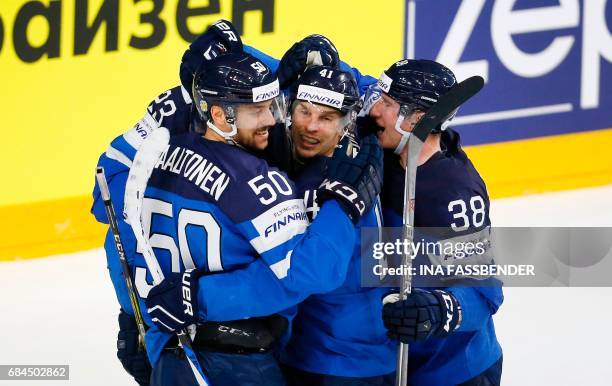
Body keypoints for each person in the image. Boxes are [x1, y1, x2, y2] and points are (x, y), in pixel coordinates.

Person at [91, 20, 375, 385]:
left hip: (165, 345)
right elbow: (312, 272)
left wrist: (137, 313)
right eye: (259, 110)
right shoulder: (257, 181)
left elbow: (111, 205)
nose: (273, 120)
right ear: (218, 114)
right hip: (242, 363)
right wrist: (343, 203)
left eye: (273, 106)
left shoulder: (153, 154)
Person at [362, 59, 504, 385]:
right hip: (401, 360)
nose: (374, 111)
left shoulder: (453, 192)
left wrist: (439, 308)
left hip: (457, 371)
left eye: (386, 104)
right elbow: (353, 81)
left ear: (418, 119)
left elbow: (486, 293)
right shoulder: (391, 148)